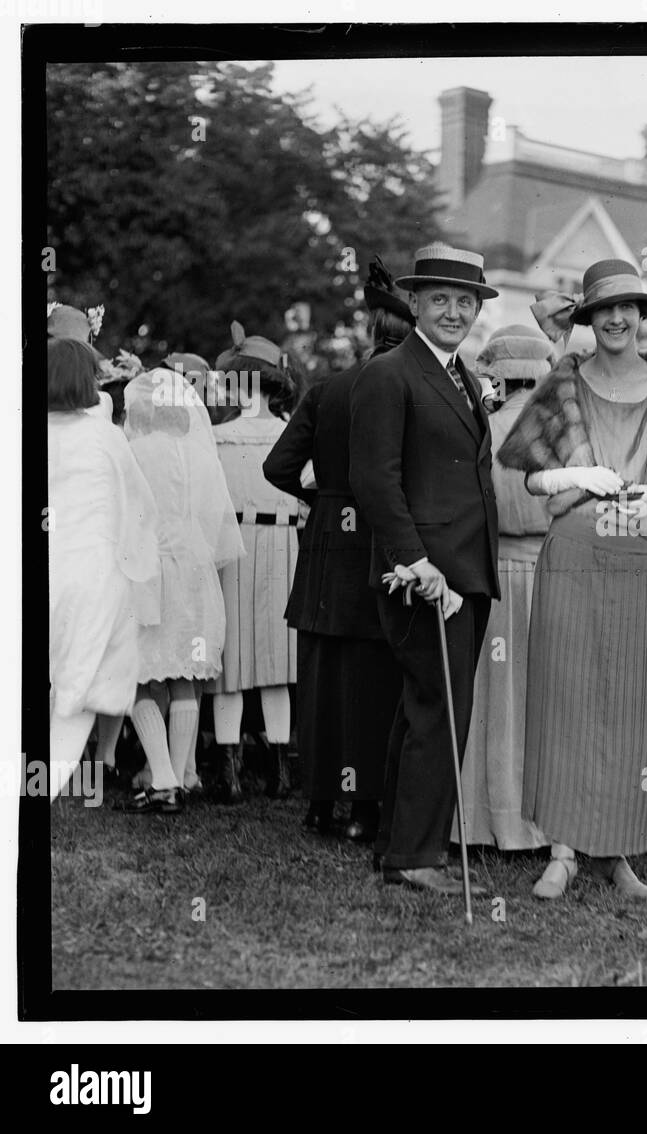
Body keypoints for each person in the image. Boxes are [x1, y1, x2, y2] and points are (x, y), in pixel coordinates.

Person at [497, 258, 647, 901]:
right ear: (588, 318)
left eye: (628, 308)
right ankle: (562, 851)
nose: (617, 319)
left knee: (638, 701)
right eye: (603, 310)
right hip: (575, 552)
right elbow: (531, 474)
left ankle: (620, 852)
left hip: (646, 556)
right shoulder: (561, 385)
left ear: (643, 316)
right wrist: (573, 477)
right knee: (569, 695)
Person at [349, 243, 500, 895]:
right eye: (440, 299)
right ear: (414, 303)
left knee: (425, 709)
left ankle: (397, 843)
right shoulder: (390, 373)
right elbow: (374, 479)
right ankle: (415, 855)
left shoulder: (461, 374)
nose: (454, 311)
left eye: (465, 301)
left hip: (467, 568)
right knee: (440, 708)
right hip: (424, 574)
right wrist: (414, 561)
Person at [263, 259, 408, 841]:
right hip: (381, 540)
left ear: (372, 329)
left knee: (321, 679)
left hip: (327, 544)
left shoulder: (327, 391)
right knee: (375, 681)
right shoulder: (406, 389)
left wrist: (320, 496)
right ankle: (366, 809)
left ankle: (321, 803)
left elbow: (278, 467)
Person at [122, 367, 244, 812]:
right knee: (184, 679)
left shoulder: (134, 451)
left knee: (136, 675)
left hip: (151, 569)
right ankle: (180, 778)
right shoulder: (200, 455)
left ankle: (165, 780)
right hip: (195, 570)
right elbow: (215, 520)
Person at [455, 323, 556, 850]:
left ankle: (481, 818)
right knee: (539, 696)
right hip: (546, 571)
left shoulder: (480, 428)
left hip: (491, 572)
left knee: (493, 694)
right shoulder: (556, 432)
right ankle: (537, 823)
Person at [47, 339, 159, 794]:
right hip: (92, 576)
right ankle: (40, 790)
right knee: (78, 692)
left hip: (37, 571)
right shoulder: (106, 438)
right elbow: (140, 509)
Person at [209, 324, 300, 802]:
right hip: (264, 543)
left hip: (252, 541)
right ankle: (252, 771)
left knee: (249, 658)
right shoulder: (278, 435)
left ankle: (249, 770)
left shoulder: (226, 436)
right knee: (258, 659)